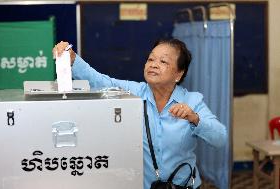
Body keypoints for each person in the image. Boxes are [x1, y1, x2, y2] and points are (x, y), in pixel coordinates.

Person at [53, 39, 227, 189]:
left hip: (183, 186)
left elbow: (220, 138)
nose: (153, 64)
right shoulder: (133, 92)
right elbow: (101, 82)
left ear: (179, 74)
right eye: (150, 59)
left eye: (163, 62)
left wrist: (194, 118)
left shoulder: (192, 101)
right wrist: (73, 59)